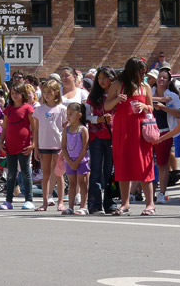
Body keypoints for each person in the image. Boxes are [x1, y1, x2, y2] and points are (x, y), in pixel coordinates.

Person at [106, 57, 155, 216]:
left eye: (144, 73)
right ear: (132, 71)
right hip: (122, 130)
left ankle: (150, 204)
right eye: (140, 73)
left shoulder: (145, 87)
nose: (143, 76)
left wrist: (144, 106)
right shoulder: (117, 85)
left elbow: (151, 109)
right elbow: (106, 106)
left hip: (140, 131)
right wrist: (116, 100)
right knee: (122, 165)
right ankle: (125, 203)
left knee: (144, 164)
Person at [0, 82, 36, 210]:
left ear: (23, 94)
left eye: (17, 93)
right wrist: (1, 142)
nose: (14, 96)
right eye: (12, 93)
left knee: (25, 173)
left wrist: (34, 144)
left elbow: (34, 128)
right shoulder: (8, 109)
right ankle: (8, 201)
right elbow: (4, 127)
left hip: (24, 146)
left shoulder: (28, 108)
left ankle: (29, 200)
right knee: (11, 174)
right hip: (10, 146)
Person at [86, 66, 116, 214]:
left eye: (105, 78)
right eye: (99, 78)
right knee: (96, 171)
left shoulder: (117, 95)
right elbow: (85, 116)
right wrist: (98, 119)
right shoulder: (92, 97)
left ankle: (110, 203)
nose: (102, 81)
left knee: (110, 172)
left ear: (112, 78)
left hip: (113, 137)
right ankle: (94, 204)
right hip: (96, 137)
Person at [33, 79, 67, 211]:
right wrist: (36, 147)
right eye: (45, 92)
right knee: (46, 174)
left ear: (56, 93)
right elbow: (36, 129)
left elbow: (65, 129)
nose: (47, 95)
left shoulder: (62, 109)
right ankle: (45, 202)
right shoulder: (39, 110)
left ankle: (60, 202)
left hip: (57, 145)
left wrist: (64, 148)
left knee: (58, 174)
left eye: (50, 92)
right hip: (44, 145)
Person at [151, 68, 180, 203]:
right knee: (147, 162)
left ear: (169, 82)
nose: (161, 79)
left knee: (162, 163)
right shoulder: (149, 92)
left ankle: (162, 193)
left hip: (165, 131)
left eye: (164, 78)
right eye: (159, 77)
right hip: (148, 131)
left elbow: (179, 113)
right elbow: (141, 99)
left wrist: (163, 107)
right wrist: (159, 99)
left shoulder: (173, 96)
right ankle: (148, 192)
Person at [62, 103, 90, 215]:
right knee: (72, 183)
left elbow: (85, 148)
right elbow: (63, 147)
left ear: (79, 115)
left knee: (82, 183)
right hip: (69, 160)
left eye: (70, 114)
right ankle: (70, 207)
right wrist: (69, 161)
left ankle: (83, 206)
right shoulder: (66, 130)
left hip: (81, 161)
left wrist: (77, 161)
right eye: (67, 114)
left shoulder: (83, 130)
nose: (68, 116)